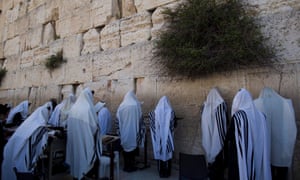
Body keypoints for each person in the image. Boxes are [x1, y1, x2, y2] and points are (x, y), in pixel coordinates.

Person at [1, 101, 54, 180]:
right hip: (24, 161)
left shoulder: (28, 124)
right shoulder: (39, 128)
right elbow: (43, 144)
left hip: (12, 153)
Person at [254, 87, 297, 180]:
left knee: (268, 170)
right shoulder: (285, 103)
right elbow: (291, 128)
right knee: (281, 173)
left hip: (264, 149)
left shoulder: (255, 105)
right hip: (281, 149)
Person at [227, 88, 271, 180]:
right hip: (258, 154)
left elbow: (229, 136)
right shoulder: (261, 116)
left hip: (239, 157)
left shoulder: (238, 116)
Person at [65, 87, 102, 179]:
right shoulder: (88, 109)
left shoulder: (73, 108)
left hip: (75, 142)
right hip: (85, 141)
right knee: (85, 161)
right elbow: (94, 128)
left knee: (76, 161)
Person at [201, 88, 227, 180]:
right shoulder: (221, 105)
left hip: (208, 138)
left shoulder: (205, 107)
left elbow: (204, 125)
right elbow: (222, 126)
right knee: (218, 160)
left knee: (211, 160)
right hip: (218, 139)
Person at [115, 90, 145, 172]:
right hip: (134, 133)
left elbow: (117, 121)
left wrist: (119, 132)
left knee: (125, 149)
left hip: (124, 133)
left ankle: (126, 166)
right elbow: (141, 120)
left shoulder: (121, 106)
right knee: (132, 150)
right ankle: (131, 166)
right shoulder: (136, 105)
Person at [149, 96, 175, 178]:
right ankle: (168, 172)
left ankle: (160, 172)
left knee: (160, 154)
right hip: (168, 139)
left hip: (158, 139)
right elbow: (173, 125)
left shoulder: (153, 113)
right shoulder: (171, 112)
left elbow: (152, 126)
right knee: (168, 155)